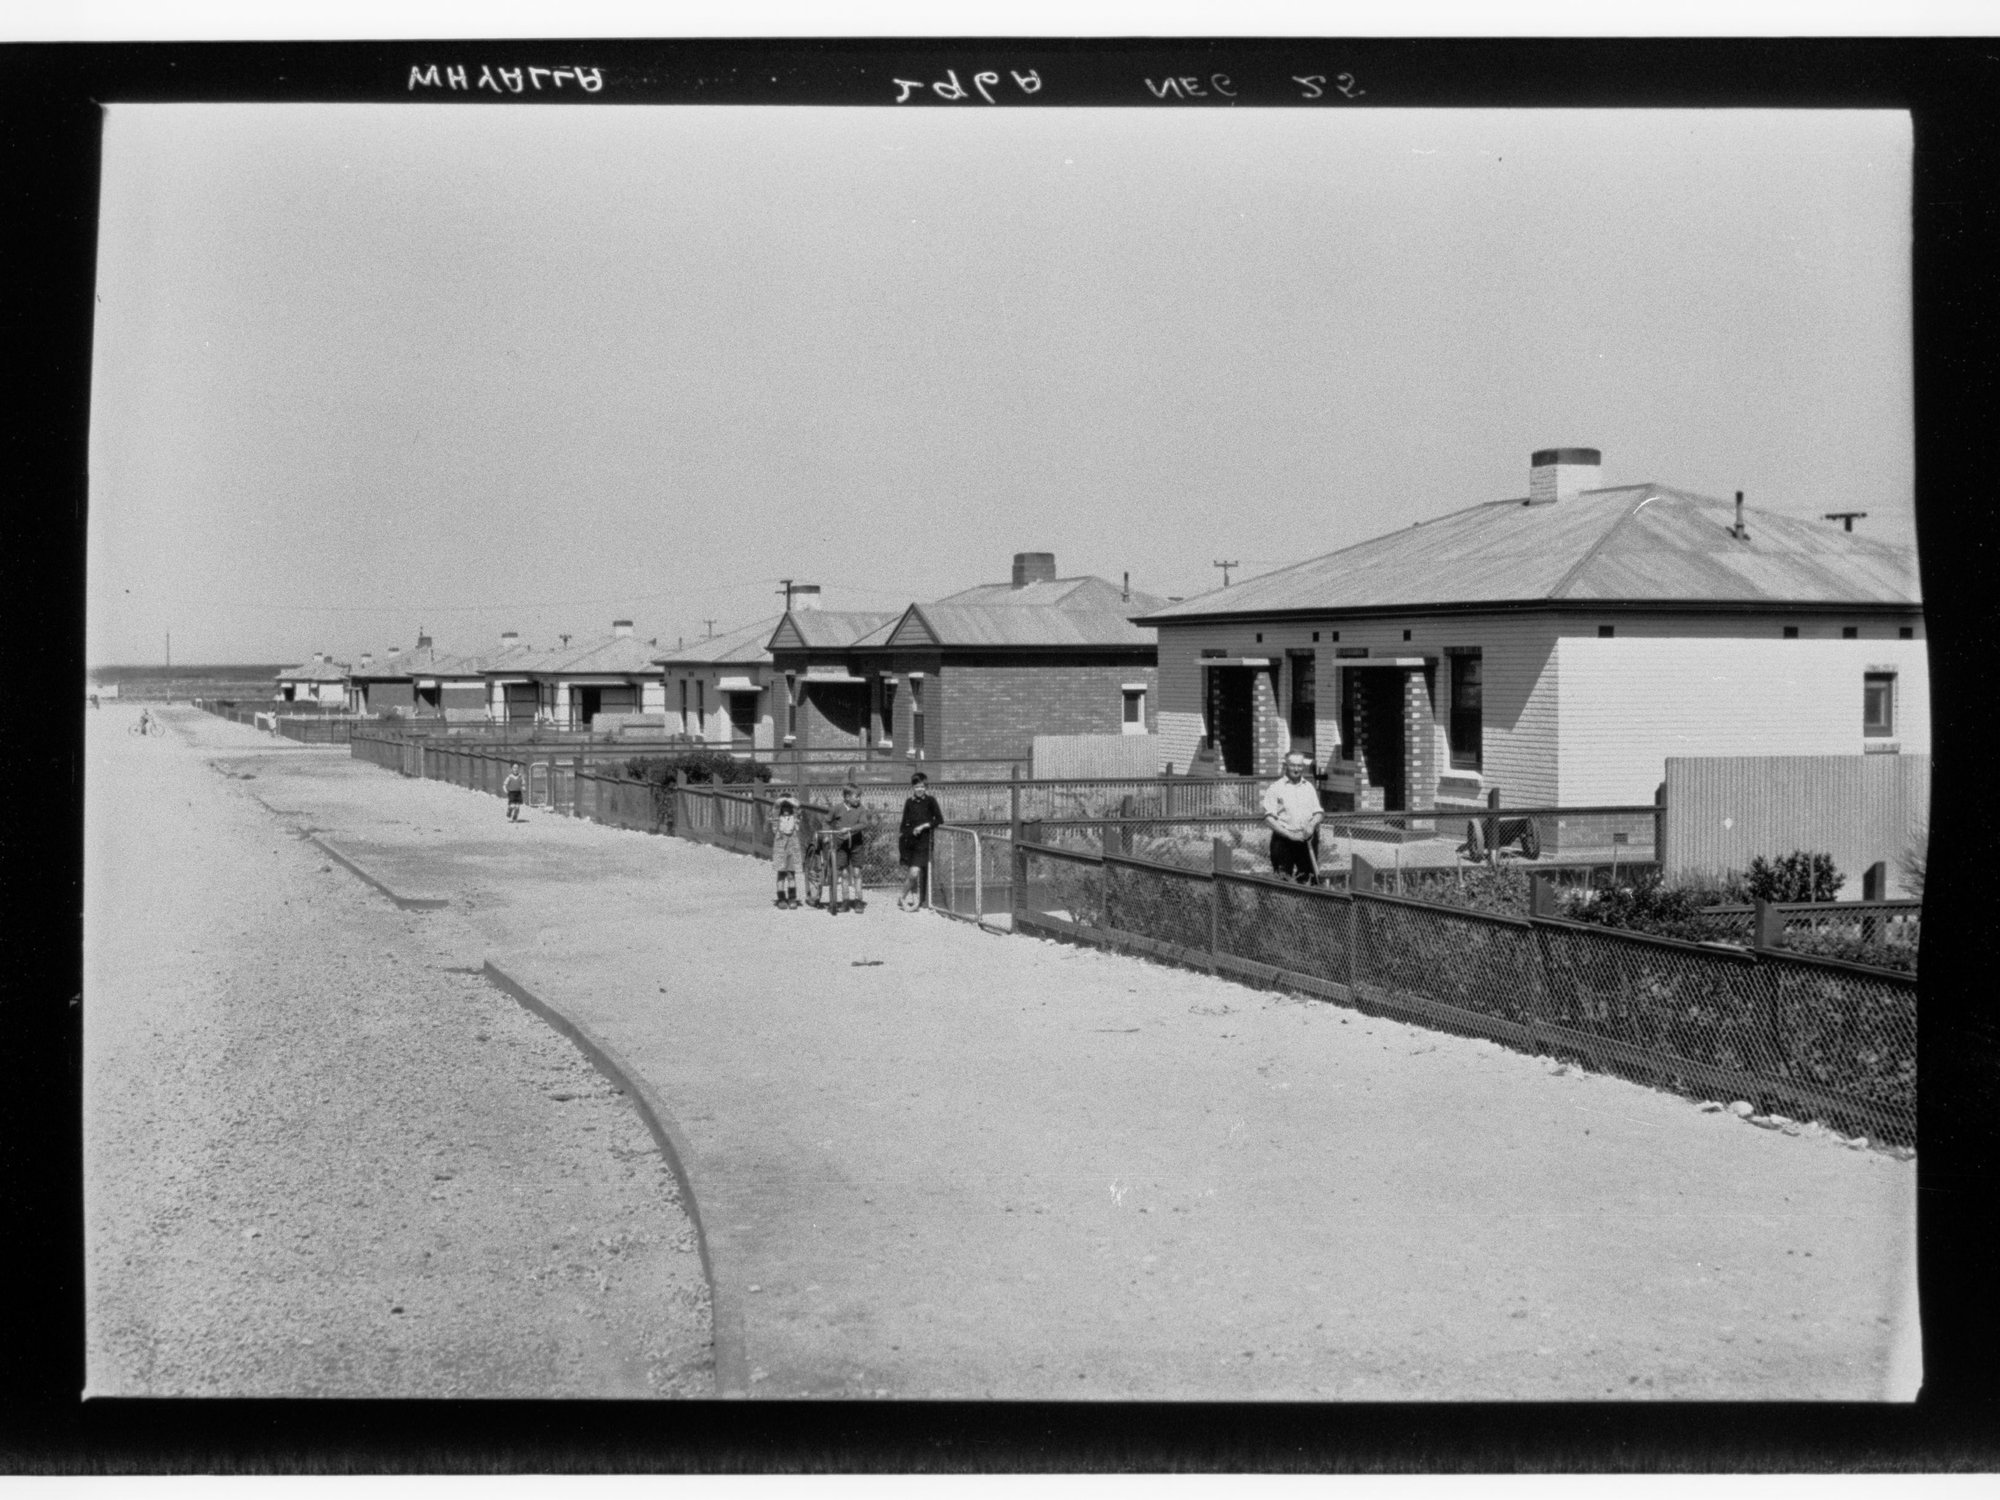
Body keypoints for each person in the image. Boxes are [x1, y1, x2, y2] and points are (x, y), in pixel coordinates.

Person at [1262, 751, 1324, 884]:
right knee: (1282, 880)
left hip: (1306, 841)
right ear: (1286, 765)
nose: (1296, 769)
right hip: (1284, 840)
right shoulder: (1276, 788)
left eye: (1300, 766)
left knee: (1308, 879)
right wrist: (1290, 835)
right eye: (1293, 765)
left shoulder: (1308, 787)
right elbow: (1268, 819)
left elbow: (1318, 813)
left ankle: (1306, 898)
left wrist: (1311, 825)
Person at [818, 783, 874, 915]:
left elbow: (864, 823)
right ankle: (845, 901)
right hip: (841, 845)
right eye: (856, 796)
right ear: (847, 797)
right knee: (843, 874)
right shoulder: (837, 808)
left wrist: (850, 829)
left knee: (857, 872)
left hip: (856, 844)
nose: (859, 799)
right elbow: (826, 821)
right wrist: (826, 835)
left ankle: (858, 901)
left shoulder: (860, 809)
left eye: (859, 796)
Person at [897, 771, 946, 912]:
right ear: (913, 787)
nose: (920, 789)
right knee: (912, 874)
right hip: (910, 843)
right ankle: (911, 899)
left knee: (914, 872)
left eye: (923, 786)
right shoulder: (909, 802)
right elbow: (903, 825)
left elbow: (939, 819)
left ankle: (904, 897)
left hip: (924, 843)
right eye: (917, 786)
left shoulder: (931, 801)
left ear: (926, 787)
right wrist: (910, 832)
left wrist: (924, 826)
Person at [771, 792, 804, 908]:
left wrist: (790, 800)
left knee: (791, 874)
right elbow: (775, 807)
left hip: (792, 847)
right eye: (783, 806)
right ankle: (781, 898)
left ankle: (792, 898)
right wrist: (782, 800)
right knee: (781, 874)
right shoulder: (777, 819)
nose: (786, 809)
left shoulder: (795, 819)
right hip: (780, 848)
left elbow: (798, 808)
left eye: (788, 806)